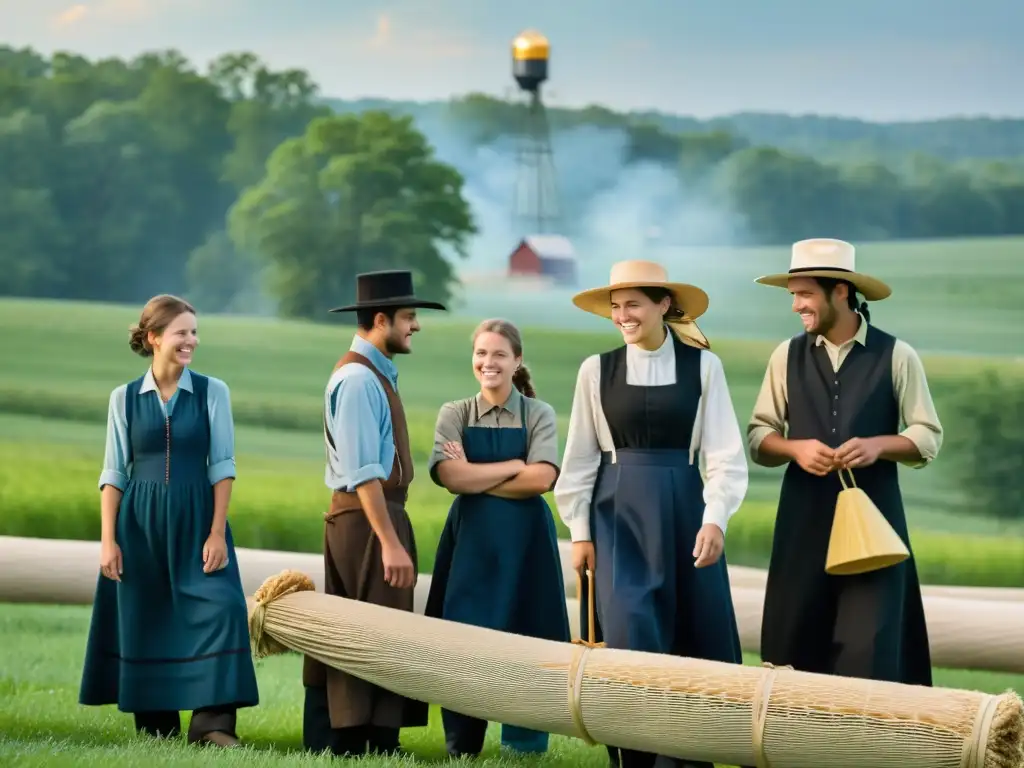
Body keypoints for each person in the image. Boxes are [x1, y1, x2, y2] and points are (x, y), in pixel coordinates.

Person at [554, 260, 750, 768]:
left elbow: (725, 455)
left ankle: (686, 759)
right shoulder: (594, 370)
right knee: (631, 632)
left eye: (633, 305)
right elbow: (579, 459)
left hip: (686, 508)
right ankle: (636, 758)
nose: (623, 316)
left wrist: (715, 519)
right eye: (616, 308)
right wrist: (579, 532)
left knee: (693, 635)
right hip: (616, 515)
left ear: (664, 305)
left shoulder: (705, 366)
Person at [747, 237, 943, 687]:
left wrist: (879, 445)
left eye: (805, 294)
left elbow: (927, 435)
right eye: (793, 295)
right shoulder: (785, 355)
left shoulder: (897, 355)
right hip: (803, 524)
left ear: (840, 292)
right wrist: (794, 448)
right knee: (793, 646)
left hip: (876, 529)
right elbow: (759, 436)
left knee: (870, 649)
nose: (796, 305)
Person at [79, 294, 259, 747]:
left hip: (198, 519)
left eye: (194, 332)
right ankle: (156, 727)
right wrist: (108, 540)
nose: (191, 341)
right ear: (155, 338)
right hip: (137, 526)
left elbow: (222, 465)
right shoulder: (122, 398)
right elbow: (113, 473)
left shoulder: (212, 391)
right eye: (182, 333)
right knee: (146, 617)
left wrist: (217, 531)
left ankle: (212, 724)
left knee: (224, 609)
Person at [301, 270, 443, 758]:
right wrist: (388, 540)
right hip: (365, 520)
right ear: (380, 320)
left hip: (372, 517)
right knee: (367, 631)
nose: (415, 327)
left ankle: (368, 736)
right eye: (408, 317)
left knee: (376, 627)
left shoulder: (375, 371)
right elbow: (363, 472)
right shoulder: (360, 379)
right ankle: (352, 738)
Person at [424, 318, 570, 759]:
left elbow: (543, 478)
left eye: (499, 354)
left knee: (528, 633)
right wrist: (512, 466)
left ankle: (523, 745)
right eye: (481, 354)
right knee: (464, 634)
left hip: (526, 542)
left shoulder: (538, 413)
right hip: (471, 540)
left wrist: (477, 476)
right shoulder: (455, 413)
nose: (488, 362)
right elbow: (450, 475)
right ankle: (461, 743)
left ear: (517, 360)